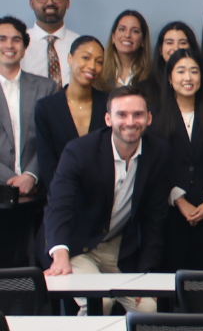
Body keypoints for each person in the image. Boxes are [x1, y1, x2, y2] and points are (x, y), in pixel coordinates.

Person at [42, 86, 170, 284]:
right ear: (108, 119)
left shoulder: (158, 152)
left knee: (148, 309)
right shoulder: (80, 151)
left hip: (118, 248)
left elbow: (155, 219)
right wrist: (60, 255)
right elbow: (59, 205)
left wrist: (147, 273)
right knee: (99, 302)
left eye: (138, 115)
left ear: (149, 118)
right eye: (122, 115)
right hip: (76, 244)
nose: (130, 122)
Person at [152, 48, 203, 271]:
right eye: (181, 71)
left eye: (194, 71)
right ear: (169, 77)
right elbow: (155, 164)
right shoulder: (153, 115)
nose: (188, 78)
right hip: (170, 212)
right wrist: (178, 199)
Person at [0, 16, 57, 266]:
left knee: (33, 263)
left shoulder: (47, 88)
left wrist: (30, 175)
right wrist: (9, 180)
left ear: (25, 46)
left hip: (37, 194)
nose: (9, 45)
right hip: (2, 193)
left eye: (16, 39)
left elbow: (52, 137)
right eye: (2, 39)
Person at [34, 35, 109, 199]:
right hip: (61, 201)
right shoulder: (46, 107)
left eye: (99, 61)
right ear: (69, 58)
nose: (92, 66)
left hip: (102, 200)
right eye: (85, 58)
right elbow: (47, 166)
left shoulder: (109, 104)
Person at [23, 0, 80, 87]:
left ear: (67, 2)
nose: (50, 2)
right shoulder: (19, 44)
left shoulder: (80, 44)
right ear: (31, 3)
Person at [100, 10, 153, 90]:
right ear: (113, 37)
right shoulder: (99, 71)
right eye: (122, 29)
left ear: (143, 40)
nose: (127, 35)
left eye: (135, 31)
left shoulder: (153, 73)